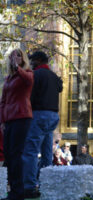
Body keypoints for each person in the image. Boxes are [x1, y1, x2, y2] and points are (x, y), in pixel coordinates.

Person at [22, 51, 63, 198]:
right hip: (53, 116)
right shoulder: (53, 76)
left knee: (31, 151)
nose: (31, 64)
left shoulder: (35, 75)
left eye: (32, 61)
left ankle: (29, 186)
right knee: (46, 153)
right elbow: (60, 87)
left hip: (39, 114)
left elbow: (29, 96)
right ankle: (46, 184)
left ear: (38, 60)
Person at [0, 49, 34, 200]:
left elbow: (28, 80)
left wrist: (18, 68)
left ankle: (18, 192)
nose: (15, 57)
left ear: (23, 58)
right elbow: (3, 101)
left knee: (16, 153)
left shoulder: (26, 74)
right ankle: (14, 190)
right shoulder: (8, 79)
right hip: (9, 120)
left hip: (22, 116)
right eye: (13, 56)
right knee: (8, 154)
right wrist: (2, 121)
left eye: (19, 55)